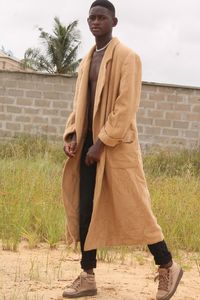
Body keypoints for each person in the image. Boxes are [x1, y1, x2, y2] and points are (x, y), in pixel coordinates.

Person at [62, 0, 183, 299]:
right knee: (87, 209)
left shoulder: (128, 57)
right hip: (88, 147)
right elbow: (80, 103)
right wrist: (73, 135)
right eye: (91, 17)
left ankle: (167, 266)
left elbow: (126, 106)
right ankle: (87, 275)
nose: (95, 22)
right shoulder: (86, 59)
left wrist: (101, 143)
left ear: (114, 22)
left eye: (102, 17)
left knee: (137, 209)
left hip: (116, 148)